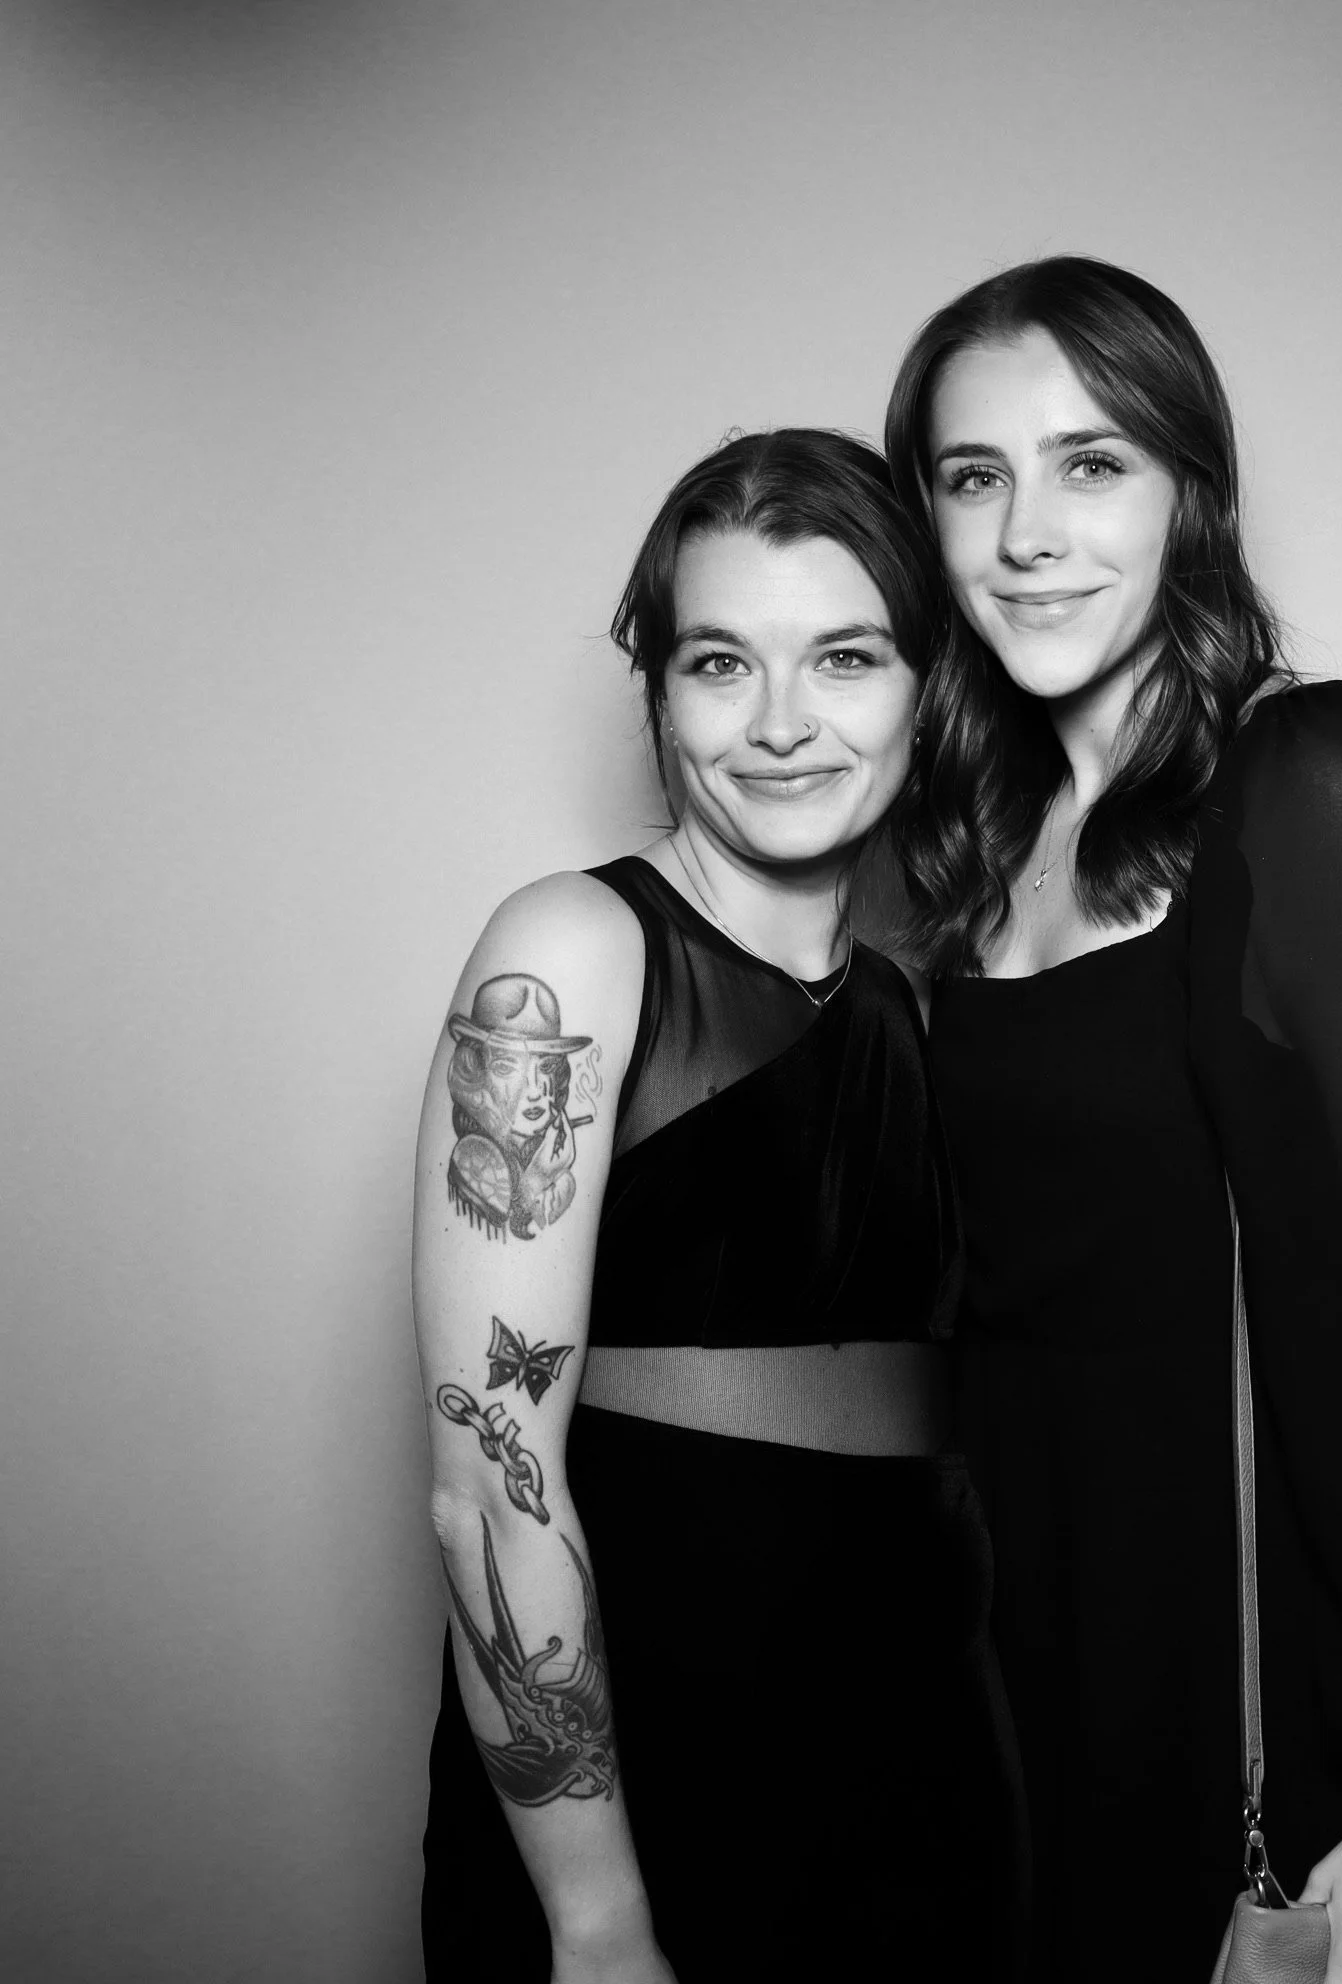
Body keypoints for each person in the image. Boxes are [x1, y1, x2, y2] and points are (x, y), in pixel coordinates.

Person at [885, 258, 1342, 1984]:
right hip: (1038, 1736)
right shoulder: (976, 880)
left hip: (1295, 1786)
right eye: (974, 477)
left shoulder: (1326, 786)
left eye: (1094, 464)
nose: (1029, 532)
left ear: (1193, 493)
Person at [415, 429, 1026, 1984]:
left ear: (923, 685)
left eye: (843, 657)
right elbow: (492, 1485)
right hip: (654, 1778)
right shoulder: (567, 955)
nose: (780, 725)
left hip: (934, 1752)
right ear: (660, 695)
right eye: (717, 662)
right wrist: (601, 1923)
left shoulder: (920, 1002)